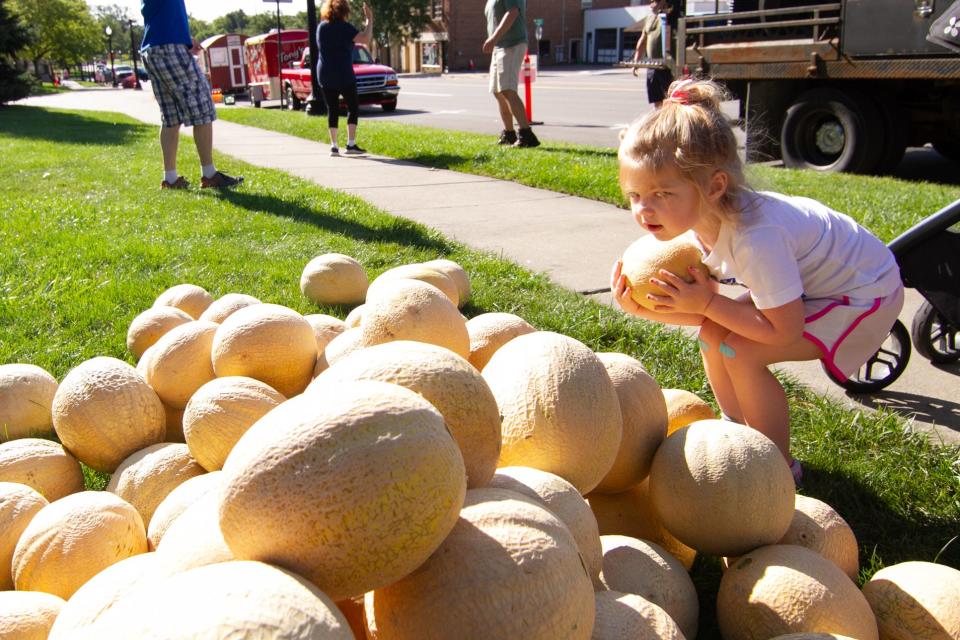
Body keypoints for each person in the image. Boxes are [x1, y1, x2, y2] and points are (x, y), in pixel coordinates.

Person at [610, 79, 904, 485]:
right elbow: (705, 315)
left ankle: (775, 469)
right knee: (717, 336)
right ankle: (739, 431)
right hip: (820, 286)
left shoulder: (755, 238)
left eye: (661, 193)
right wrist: (640, 307)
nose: (644, 210)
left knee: (742, 351)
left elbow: (784, 329)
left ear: (714, 186)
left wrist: (710, 306)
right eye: (634, 195)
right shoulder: (697, 226)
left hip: (865, 292)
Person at [139, 0, 243, 190]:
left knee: (171, 117)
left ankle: (170, 179)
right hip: (168, 48)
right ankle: (209, 174)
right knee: (203, 108)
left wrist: (186, 40)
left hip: (152, 48)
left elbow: (165, 15)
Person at [317, 0, 373, 156]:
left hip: (325, 74)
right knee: (352, 107)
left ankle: (334, 146)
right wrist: (369, 20)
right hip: (344, 74)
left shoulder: (321, 27)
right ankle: (351, 144)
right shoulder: (345, 28)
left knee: (332, 109)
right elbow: (365, 39)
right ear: (344, 11)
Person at [482, 0, 540, 148]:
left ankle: (526, 135)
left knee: (507, 89)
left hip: (512, 44)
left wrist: (493, 38)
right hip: (499, 47)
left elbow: (512, 13)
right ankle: (509, 134)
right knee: (497, 91)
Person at [632, 0, 673, 108]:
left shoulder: (669, 17)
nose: (651, 5)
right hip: (652, 65)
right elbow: (642, 40)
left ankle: (669, 121)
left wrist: (664, 10)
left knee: (669, 99)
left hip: (666, 66)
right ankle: (660, 120)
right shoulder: (649, 18)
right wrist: (636, 61)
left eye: (654, 1)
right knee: (656, 98)